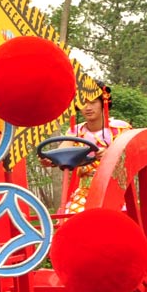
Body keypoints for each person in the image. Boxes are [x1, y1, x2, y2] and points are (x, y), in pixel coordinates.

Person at [43, 83, 132, 215]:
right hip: (85, 191)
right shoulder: (76, 131)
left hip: (116, 189)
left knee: (117, 220)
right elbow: (61, 153)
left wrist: (111, 155)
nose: (88, 108)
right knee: (71, 217)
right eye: (83, 103)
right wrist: (49, 160)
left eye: (93, 102)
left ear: (103, 103)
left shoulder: (121, 129)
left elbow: (133, 157)